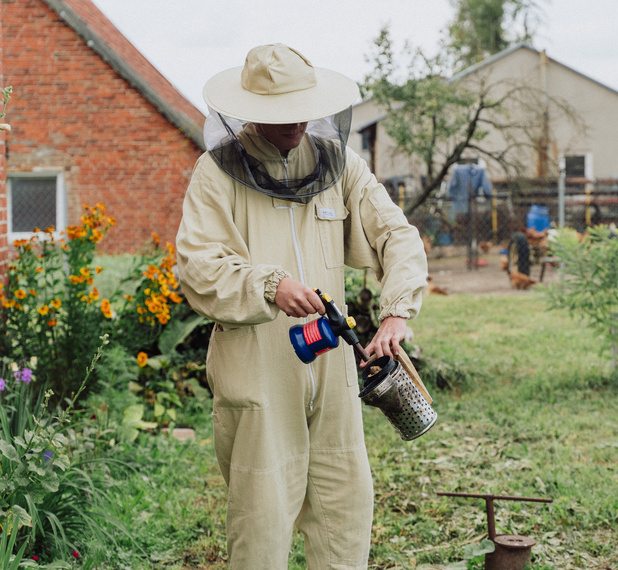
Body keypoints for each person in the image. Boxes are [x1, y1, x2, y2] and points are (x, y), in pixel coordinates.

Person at [175, 43, 429, 568]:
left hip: (333, 367)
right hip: (258, 370)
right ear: (249, 111)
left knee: (344, 510)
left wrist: (398, 309)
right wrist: (269, 285)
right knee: (261, 522)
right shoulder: (215, 172)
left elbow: (395, 235)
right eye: (278, 114)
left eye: (300, 110)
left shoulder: (341, 164)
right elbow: (198, 268)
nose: (294, 123)